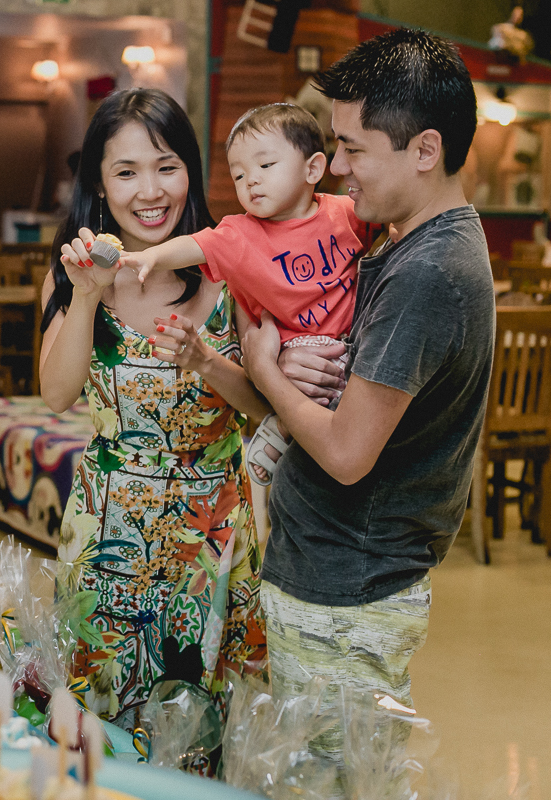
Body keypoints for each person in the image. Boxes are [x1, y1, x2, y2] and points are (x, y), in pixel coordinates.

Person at [239, 28, 494, 771]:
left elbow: (349, 454)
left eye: (353, 148)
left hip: (346, 591)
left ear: (424, 150)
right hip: (332, 575)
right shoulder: (401, 240)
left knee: (325, 781)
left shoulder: (428, 272)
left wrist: (267, 369)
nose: (336, 168)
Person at [39, 87, 268, 747]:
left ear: (191, 171)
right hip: (108, 526)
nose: (150, 190)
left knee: (200, 726)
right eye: (126, 171)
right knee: (98, 716)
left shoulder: (233, 274)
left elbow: (263, 408)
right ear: (100, 186)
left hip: (213, 538)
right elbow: (56, 395)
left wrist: (207, 364)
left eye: (166, 166)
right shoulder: (69, 275)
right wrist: (84, 297)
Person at [117, 103, 374, 485]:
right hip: (293, 354)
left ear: (313, 169)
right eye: (239, 175)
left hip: (353, 346)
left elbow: (389, 227)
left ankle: (295, 432)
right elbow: (193, 245)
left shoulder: (346, 213)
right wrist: (149, 257)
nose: (251, 181)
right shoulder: (240, 234)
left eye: (265, 167)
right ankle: (283, 429)